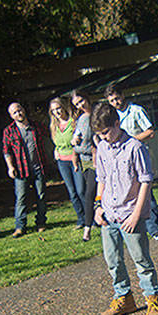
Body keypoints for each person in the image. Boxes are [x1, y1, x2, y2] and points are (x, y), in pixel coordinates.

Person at [91, 102, 158, 315]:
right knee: (112, 260)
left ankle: (152, 300)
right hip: (108, 214)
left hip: (130, 214)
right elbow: (101, 179)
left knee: (141, 259)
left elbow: (146, 182)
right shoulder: (102, 148)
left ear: (117, 123)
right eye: (99, 134)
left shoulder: (135, 147)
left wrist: (136, 214)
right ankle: (124, 297)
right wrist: (98, 205)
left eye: (106, 132)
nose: (103, 137)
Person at [105, 82, 158, 240]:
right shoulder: (112, 116)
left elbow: (150, 131)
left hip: (138, 156)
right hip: (120, 159)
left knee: (145, 190)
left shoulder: (136, 111)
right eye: (111, 101)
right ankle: (132, 224)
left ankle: (154, 228)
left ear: (122, 95)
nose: (116, 103)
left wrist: (129, 141)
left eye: (117, 98)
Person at [1, 102, 52, 236]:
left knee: (41, 196)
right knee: (21, 198)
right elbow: (6, 151)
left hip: (38, 167)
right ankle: (20, 226)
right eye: (14, 112)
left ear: (23, 110)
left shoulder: (36, 126)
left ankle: (41, 223)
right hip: (21, 170)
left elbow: (51, 132)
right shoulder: (9, 131)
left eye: (19, 110)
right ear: (11, 116)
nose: (18, 113)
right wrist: (10, 167)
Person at [49, 96, 91, 239]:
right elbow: (56, 142)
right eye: (54, 110)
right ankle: (81, 218)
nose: (57, 112)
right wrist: (56, 150)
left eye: (59, 108)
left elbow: (77, 141)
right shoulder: (54, 126)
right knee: (72, 192)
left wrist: (75, 156)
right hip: (62, 162)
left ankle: (89, 218)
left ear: (64, 107)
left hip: (75, 160)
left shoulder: (73, 122)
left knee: (81, 190)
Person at [70, 88, 97, 240]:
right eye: (77, 104)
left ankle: (87, 228)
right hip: (84, 160)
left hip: (96, 160)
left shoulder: (97, 113)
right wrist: (74, 140)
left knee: (90, 193)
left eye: (81, 101)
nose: (80, 105)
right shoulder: (81, 119)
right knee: (89, 192)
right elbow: (77, 137)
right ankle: (96, 221)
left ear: (86, 97)